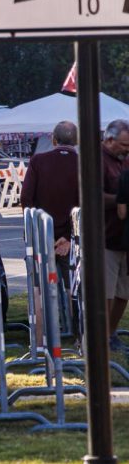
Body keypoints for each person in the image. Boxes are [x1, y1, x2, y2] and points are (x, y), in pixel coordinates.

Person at [23, 121, 79, 280]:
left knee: (40, 286)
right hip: (73, 237)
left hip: (41, 234)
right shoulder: (84, 164)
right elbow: (87, 205)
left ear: (54, 139)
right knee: (73, 287)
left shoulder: (38, 161)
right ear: (77, 140)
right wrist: (69, 237)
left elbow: (26, 198)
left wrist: (41, 233)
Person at [104, 120, 129, 353]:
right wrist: (122, 199)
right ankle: (101, 335)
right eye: (123, 145)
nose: (127, 149)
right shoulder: (96, 160)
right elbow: (91, 194)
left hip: (125, 238)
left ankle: (111, 333)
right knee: (107, 291)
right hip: (106, 235)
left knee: (123, 291)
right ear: (109, 140)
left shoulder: (125, 161)